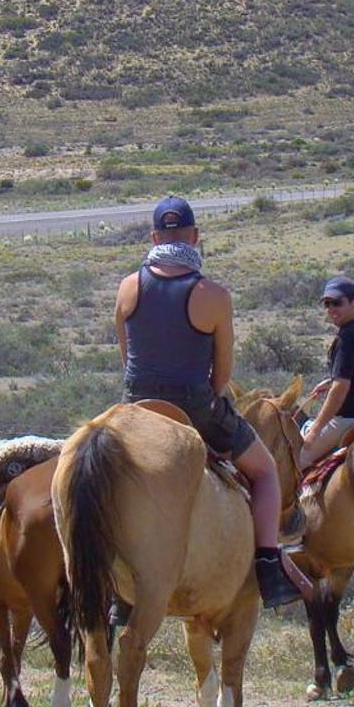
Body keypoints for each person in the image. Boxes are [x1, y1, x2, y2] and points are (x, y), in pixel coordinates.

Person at [115, 195, 304, 610]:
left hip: (135, 406)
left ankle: (110, 585)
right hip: (196, 408)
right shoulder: (213, 295)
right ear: (196, 238)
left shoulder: (128, 287)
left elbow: (126, 357)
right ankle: (269, 565)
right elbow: (221, 376)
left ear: (153, 237)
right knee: (266, 472)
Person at [298, 276, 354, 471]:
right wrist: (331, 381)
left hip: (349, 420)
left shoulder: (346, 337)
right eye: (327, 304)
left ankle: (301, 501)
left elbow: (342, 388)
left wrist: (315, 430)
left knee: (294, 461)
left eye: (337, 303)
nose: (331, 309)